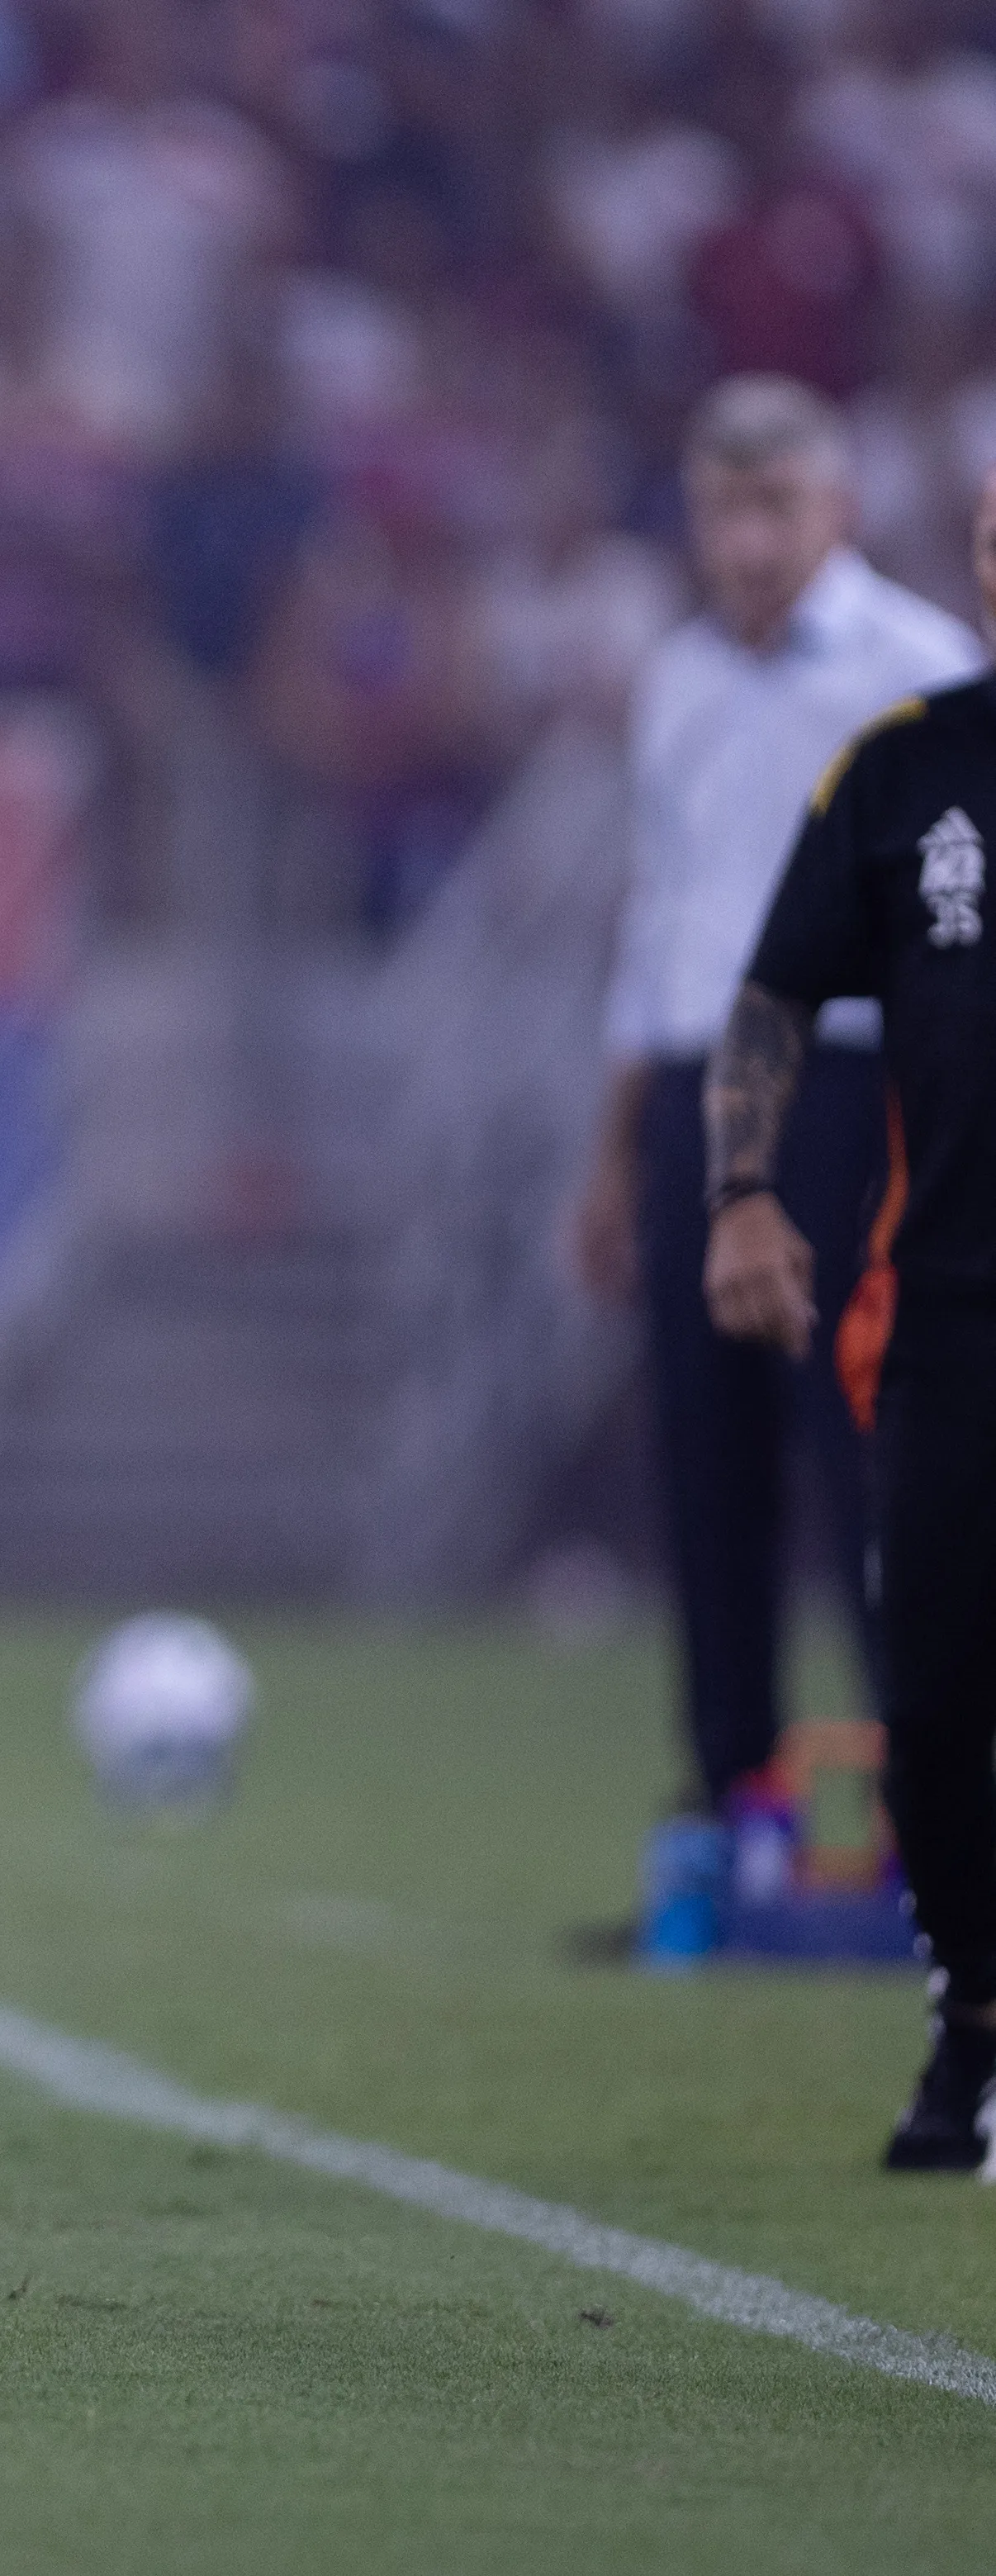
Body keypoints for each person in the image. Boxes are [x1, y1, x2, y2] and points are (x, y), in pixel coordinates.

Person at [572, 373, 981, 1958]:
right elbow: (653, 922)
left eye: (775, 511)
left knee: (882, 1453)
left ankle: (935, 1834)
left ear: (839, 511)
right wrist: (614, 1155)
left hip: (865, 1085)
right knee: (705, 1455)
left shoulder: (917, 674)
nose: (746, 545)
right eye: (721, 513)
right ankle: (725, 1822)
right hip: (698, 1088)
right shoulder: (673, 683)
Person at [704, 462, 996, 2174]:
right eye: (989, 536)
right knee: (934, 1698)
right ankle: (972, 2011)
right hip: (950, 1312)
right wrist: (736, 1190)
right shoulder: (900, 770)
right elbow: (770, 990)